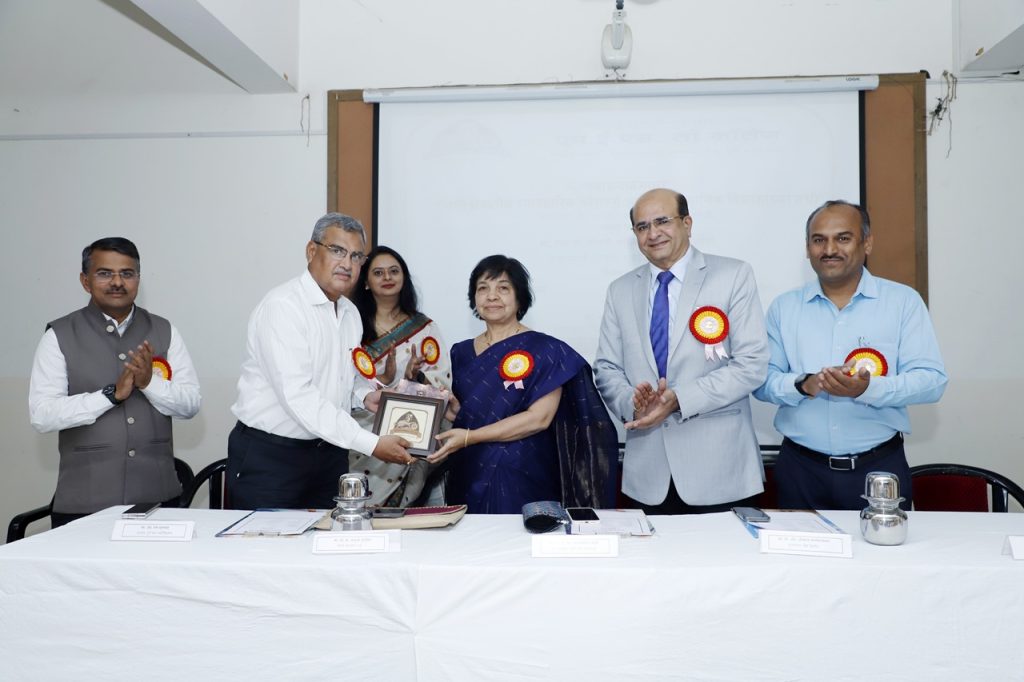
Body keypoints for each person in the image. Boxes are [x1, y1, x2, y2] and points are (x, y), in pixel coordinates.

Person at [753, 200, 947, 510]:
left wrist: (868, 388)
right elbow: (762, 382)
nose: (829, 249)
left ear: (866, 243)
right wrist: (804, 384)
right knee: (796, 545)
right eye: (819, 240)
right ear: (807, 248)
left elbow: (932, 381)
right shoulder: (784, 307)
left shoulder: (902, 302)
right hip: (800, 470)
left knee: (883, 544)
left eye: (843, 238)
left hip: (878, 467)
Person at [594, 188, 769, 515]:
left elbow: (752, 365)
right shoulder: (620, 290)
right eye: (642, 226)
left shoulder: (733, 275)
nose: (653, 233)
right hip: (647, 476)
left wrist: (680, 399)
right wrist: (634, 404)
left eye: (662, 221)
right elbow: (606, 368)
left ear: (687, 223)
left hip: (720, 471)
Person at [228, 213, 413, 510]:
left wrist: (364, 396)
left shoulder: (350, 313)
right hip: (273, 457)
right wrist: (371, 443)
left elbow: (340, 378)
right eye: (338, 251)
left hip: (329, 454)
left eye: (356, 256)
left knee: (327, 536)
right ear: (311, 251)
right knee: (267, 540)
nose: (347, 264)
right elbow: (299, 396)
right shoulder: (283, 307)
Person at [28, 237, 201, 527]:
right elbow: (42, 415)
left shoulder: (164, 330)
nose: (117, 282)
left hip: (157, 501)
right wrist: (110, 395)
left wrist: (149, 384)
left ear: (138, 280)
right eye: (105, 273)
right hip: (84, 503)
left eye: (127, 273)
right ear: (85, 281)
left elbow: (190, 405)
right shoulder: (59, 334)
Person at [429, 255, 618, 514]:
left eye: (503, 288)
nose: (492, 296)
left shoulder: (547, 350)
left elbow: (539, 419)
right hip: (468, 468)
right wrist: (455, 412)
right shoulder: (459, 352)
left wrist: (470, 437)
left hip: (522, 472)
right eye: (483, 288)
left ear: (520, 297)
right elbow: (473, 412)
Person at [349, 246, 452, 507]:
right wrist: (384, 378)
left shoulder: (425, 328)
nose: (387, 277)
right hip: (360, 430)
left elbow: (442, 382)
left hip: (409, 427)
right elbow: (342, 381)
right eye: (378, 272)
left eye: (394, 271)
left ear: (404, 278)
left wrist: (414, 378)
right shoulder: (351, 326)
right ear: (365, 282)